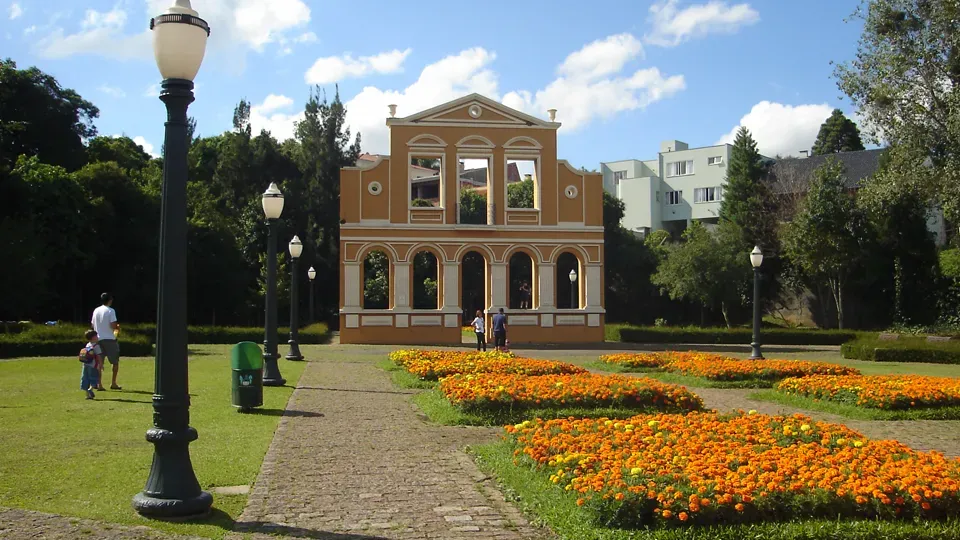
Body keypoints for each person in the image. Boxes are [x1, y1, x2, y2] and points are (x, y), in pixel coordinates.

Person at [91, 292, 121, 390]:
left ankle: (99, 384)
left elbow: (92, 325)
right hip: (109, 339)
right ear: (110, 300)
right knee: (115, 362)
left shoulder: (96, 310)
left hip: (98, 339)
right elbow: (113, 325)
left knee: (99, 362)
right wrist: (117, 327)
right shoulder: (110, 311)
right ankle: (113, 383)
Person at [79, 330, 102, 400]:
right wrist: (101, 364)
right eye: (96, 336)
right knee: (94, 377)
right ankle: (91, 389)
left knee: (85, 378)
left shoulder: (88, 345)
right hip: (93, 365)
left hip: (86, 364)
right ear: (93, 338)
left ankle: (87, 395)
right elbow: (98, 356)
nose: (97, 337)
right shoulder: (96, 346)